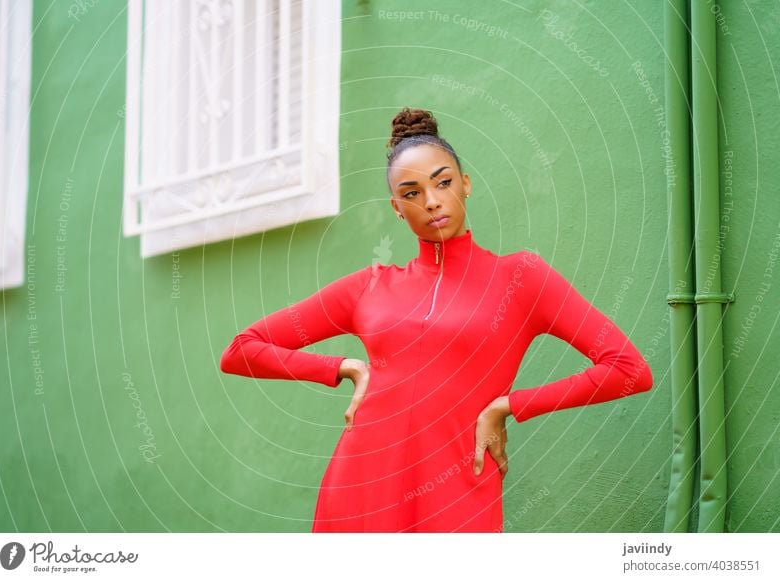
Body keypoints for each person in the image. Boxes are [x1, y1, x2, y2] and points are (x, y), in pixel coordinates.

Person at [220, 107, 654, 533]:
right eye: (411, 193)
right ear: (396, 208)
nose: (430, 201)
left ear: (465, 185)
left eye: (442, 183)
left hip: (460, 489)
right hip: (361, 490)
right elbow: (241, 351)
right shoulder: (368, 287)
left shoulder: (521, 278)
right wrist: (342, 367)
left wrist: (508, 406)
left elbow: (629, 371)